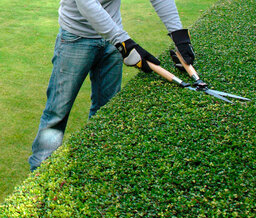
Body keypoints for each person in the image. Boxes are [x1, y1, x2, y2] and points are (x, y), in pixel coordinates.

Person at [28, 0, 195, 172]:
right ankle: (38, 172)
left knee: (105, 110)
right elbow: (86, 3)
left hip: (112, 39)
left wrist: (178, 35)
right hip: (76, 39)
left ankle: (94, 168)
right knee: (57, 112)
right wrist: (123, 44)